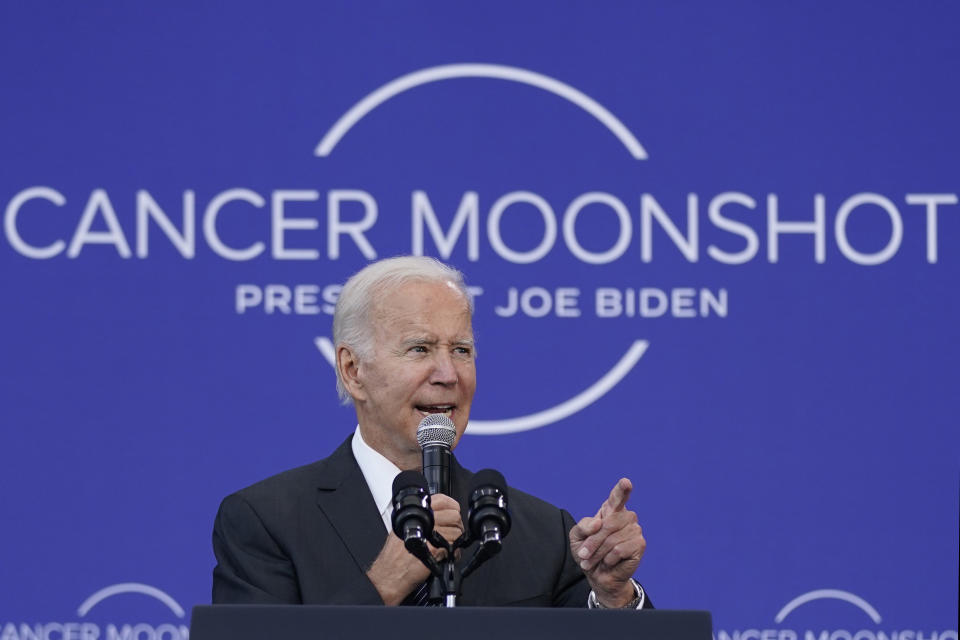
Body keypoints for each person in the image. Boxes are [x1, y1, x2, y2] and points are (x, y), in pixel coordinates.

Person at [212, 256, 650, 608]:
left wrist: (613, 597)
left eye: (461, 350)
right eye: (419, 349)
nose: (448, 374)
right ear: (353, 370)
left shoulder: (538, 531)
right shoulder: (265, 522)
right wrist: (385, 582)